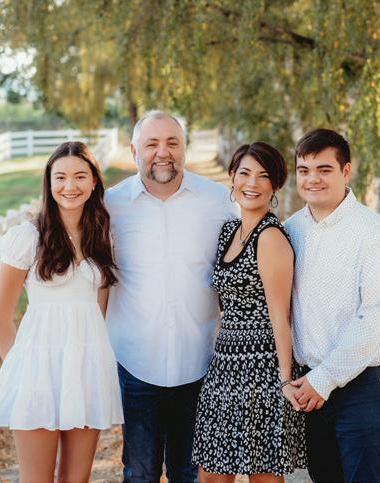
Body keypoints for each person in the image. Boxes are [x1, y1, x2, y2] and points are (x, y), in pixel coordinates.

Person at [105, 111, 238, 482]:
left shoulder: (218, 201)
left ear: (184, 149)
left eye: (172, 143)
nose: (162, 152)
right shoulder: (110, 206)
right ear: (134, 151)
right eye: (152, 143)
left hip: (200, 362)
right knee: (139, 474)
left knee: (188, 474)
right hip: (135, 364)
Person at [0, 141, 123, 482]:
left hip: (86, 370)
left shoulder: (101, 236)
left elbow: (99, 310)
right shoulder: (28, 237)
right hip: (38, 374)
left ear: (94, 182)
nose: (69, 186)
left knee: (77, 479)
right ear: (49, 183)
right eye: (60, 177)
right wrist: (22, 374)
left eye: (80, 176)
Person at [284, 129, 380, 483]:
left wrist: (324, 379)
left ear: (346, 171)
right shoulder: (291, 230)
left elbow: (374, 317)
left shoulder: (373, 232)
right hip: (311, 386)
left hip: (367, 385)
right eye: (304, 170)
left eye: (324, 169)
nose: (312, 179)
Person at [192, 142, 307, 482]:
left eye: (263, 176)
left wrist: (284, 380)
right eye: (244, 173)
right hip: (225, 365)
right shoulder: (228, 231)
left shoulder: (270, 237)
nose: (252, 183)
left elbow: (280, 316)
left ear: (275, 185)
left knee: (263, 476)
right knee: (211, 474)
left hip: (263, 369)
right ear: (232, 177)